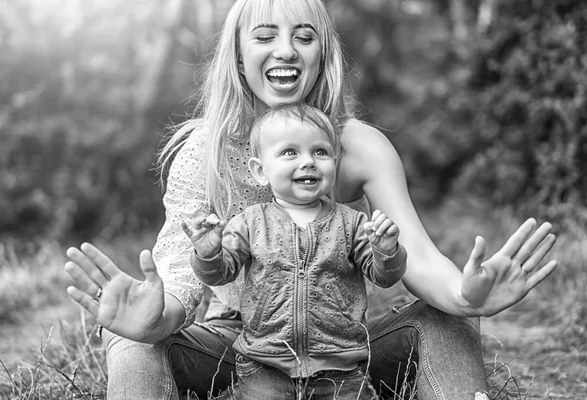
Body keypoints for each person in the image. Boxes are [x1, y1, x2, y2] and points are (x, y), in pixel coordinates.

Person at [64, 0, 558, 399]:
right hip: (236, 347)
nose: (287, 50)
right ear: (238, 55)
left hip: (340, 351)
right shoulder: (205, 151)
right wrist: (159, 317)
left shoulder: (358, 145)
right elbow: (180, 267)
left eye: (304, 36)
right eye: (265, 36)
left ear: (322, 54)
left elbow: (416, 254)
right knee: (133, 337)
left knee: (445, 319)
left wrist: (462, 295)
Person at [183, 103, 407, 399]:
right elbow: (219, 274)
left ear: (334, 161)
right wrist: (208, 252)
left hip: (340, 368)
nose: (309, 162)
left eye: (320, 152)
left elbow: (385, 277)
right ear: (260, 171)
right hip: (265, 367)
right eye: (290, 152)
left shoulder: (351, 223)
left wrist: (386, 250)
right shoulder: (250, 223)